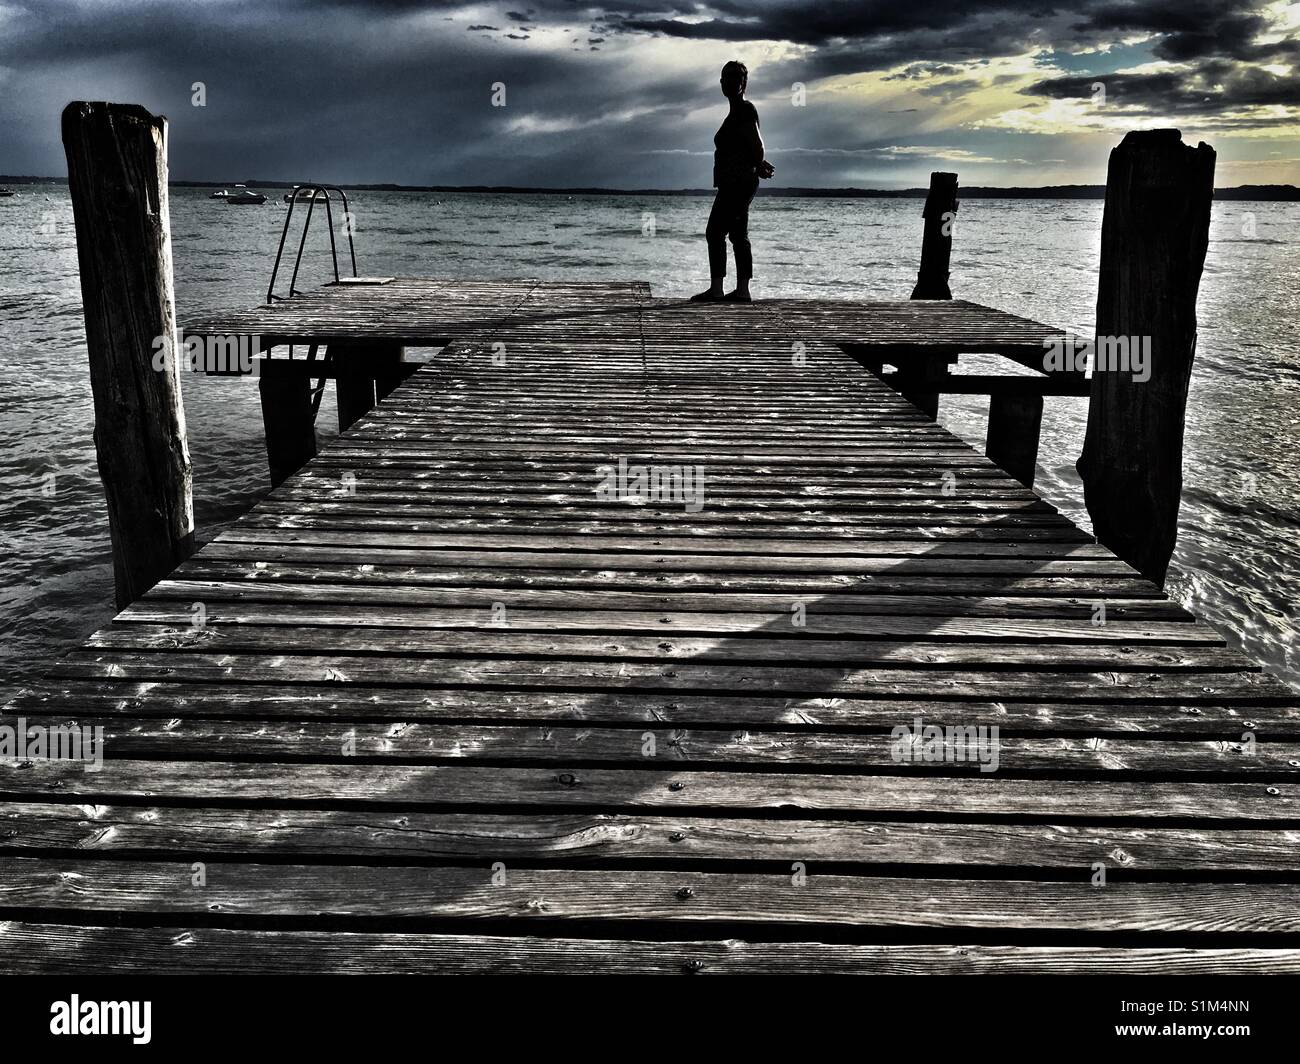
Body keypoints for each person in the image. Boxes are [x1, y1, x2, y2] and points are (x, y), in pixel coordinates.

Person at [690, 60, 775, 304]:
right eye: (725, 77)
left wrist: (758, 163)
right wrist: (757, 163)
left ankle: (719, 290)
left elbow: (757, 145)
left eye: (734, 77)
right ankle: (740, 291)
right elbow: (745, 146)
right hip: (735, 182)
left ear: (743, 82)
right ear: (721, 83)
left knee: (714, 232)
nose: (728, 81)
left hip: (739, 183)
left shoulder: (746, 109)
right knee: (737, 234)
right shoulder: (735, 112)